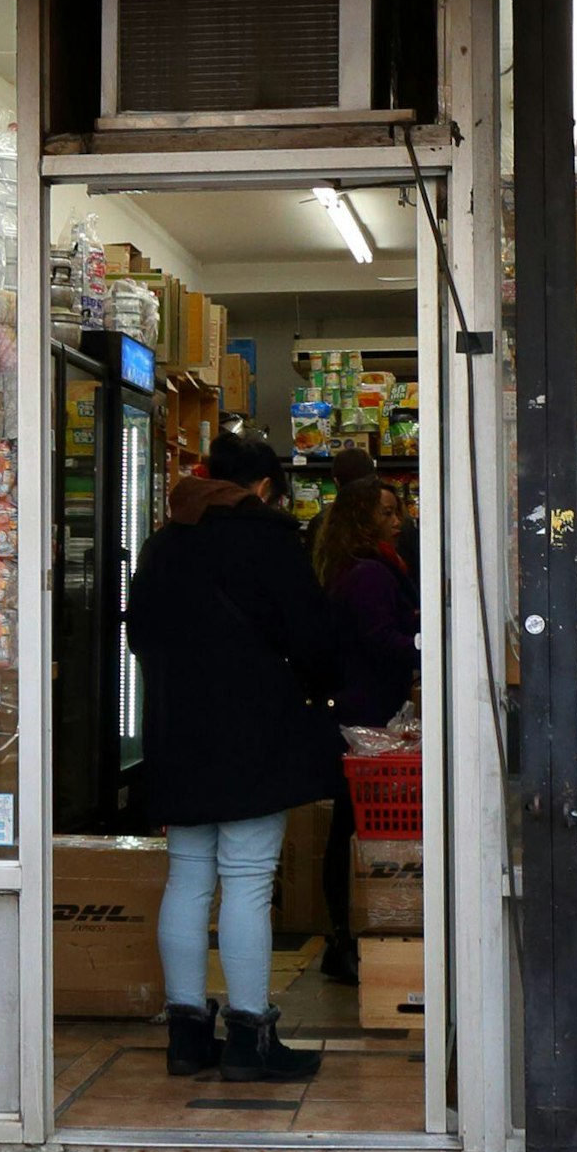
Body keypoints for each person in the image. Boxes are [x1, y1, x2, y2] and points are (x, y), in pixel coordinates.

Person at [125, 428, 341, 1080]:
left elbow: (137, 637)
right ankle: (250, 1037)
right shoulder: (269, 540)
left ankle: (187, 1035)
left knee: (188, 876)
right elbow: (311, 638)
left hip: (175, 729)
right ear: (266, 486)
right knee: (247, 878)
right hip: (251, 731)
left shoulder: (162, 544)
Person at [306, 471, 419, 983]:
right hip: (369, 716)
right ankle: (351, 936)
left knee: (352, 826)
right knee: (359, 826)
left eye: (398, 511)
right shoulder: (371, 574)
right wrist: (425, 645)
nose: (398, 522)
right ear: (361, 519)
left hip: (361, 708)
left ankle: (345, 936)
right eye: (387, 513)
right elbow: (380, 639)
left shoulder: (354, 567)